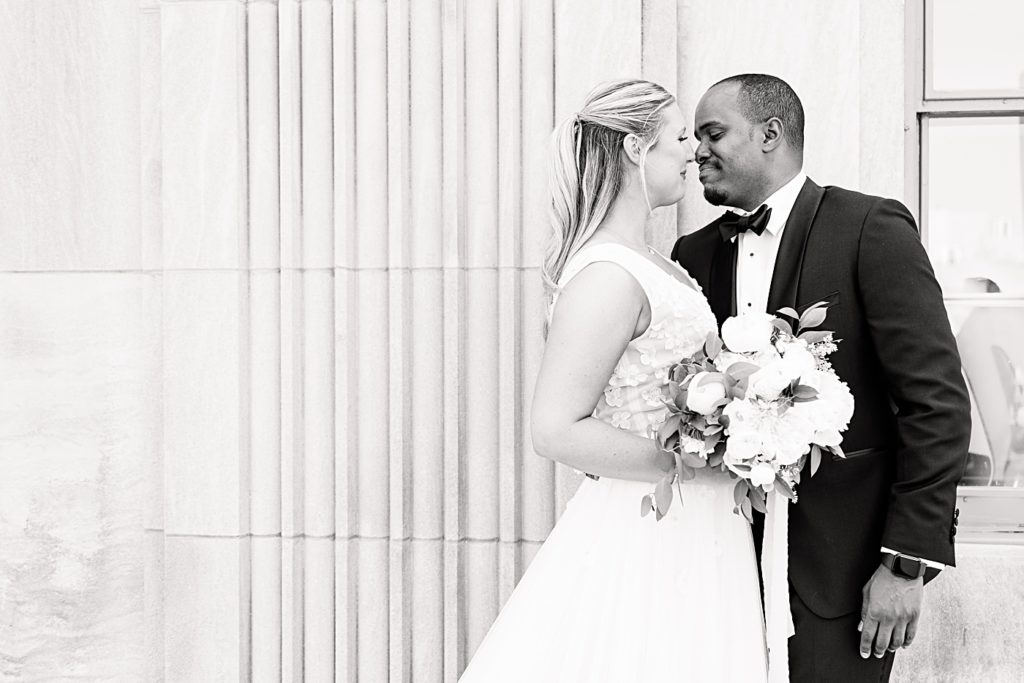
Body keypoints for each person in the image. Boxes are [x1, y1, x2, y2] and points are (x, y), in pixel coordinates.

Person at [459, 79, 768, 681]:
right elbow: (555, 430)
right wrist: (691, 459)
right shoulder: (606, 274)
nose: (692, 153)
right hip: (646, 532)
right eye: (679, 137)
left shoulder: (658, 262)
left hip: (705, 527)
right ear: (634, 148)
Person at [672, 73, 971, 682]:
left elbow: (935, 403)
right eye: (692, 137)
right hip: (713, 566)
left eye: (713, 133)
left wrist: (905, 564)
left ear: (770, 134)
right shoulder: (691, 255)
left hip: (842, 575)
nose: (696, 151)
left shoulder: (870, 228)